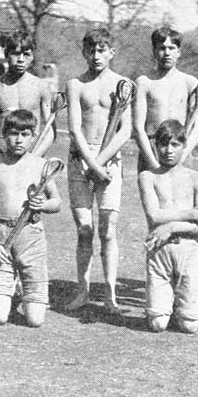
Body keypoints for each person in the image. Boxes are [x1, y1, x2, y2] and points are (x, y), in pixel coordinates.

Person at [0, 110, 61, 327]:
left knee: (35, 320)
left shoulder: (40, 165)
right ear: (3, 135)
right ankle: (9, 291)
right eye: (13, 134)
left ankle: (22, 293)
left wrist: (44, 205)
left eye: (25, 134)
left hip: (32, 237)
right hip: (1, 239)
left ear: (34, 136)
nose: (19, 140)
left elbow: (57, 202)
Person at [63, 28, 132, 313]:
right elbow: (74, 128)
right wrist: (91, 164)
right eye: (91, 50)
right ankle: (83, 291)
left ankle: (111, 295)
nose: (96, 56)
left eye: (102, 50)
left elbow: (125, 130)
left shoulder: (124, 85)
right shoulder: (75, 84)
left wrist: (101, 162)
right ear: (84, 53)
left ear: (111, 52)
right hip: (81, 160)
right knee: (84, 229)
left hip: (110, 162)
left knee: (108, 231)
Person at [138, 119, 198, 333]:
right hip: (159, 251)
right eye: (163, 144)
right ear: (155, 146)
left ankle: (178, 306)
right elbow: (154, 215)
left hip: (189, 251)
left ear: (184, 145)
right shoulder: (147, 177)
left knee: (189, 326)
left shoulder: (197, 178)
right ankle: (164, 306)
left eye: (175, 145)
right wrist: (191, 214)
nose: (168, 151)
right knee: (157, 324)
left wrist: (171, 228)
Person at [133, 27, 198, 172]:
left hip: (181, 148)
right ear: (154, 51)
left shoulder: (190, 83)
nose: (167, 53)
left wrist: (182, 156)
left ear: (179, 52)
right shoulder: (144, 82)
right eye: (162, 48)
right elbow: (138, 127)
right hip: (152, 149)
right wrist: (153, 163)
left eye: (172, 48)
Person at [0, 30, 53, 158]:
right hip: (2, 156)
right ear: (7, 54)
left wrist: (34, 159)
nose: (21, 59)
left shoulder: (41, 87)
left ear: (32, 57)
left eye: (26, 54)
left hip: (32, 156)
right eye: (16, 54)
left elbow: (50, 129)